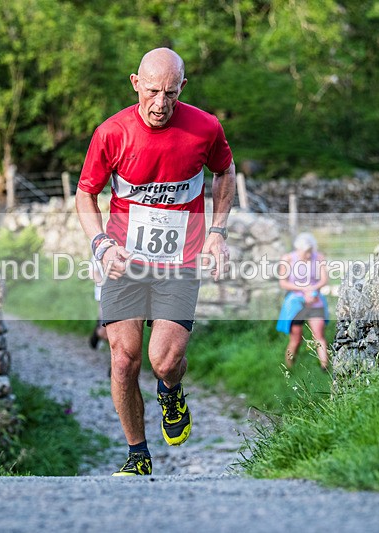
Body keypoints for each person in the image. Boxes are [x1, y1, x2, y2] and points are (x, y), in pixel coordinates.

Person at [75, 48, 236, 476]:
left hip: (180, 261)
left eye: (169, 92)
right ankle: (137, 455)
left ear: (182, 88)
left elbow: (226, 171)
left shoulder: (205, 128)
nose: (160, 103)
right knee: (124, 359)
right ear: (135, 84)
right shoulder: (111, 132)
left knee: (163, 360)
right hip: (125, 259)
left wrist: (217, 233)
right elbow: (85, 194)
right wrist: (100, 244)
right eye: (151, 92)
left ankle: (170, 388)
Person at [275, 232, 330, 371]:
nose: (308, 255)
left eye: (311, 251)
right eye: (306, 252)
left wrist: (312, 289)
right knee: (296, 339)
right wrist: (303, 288)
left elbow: (324, 280)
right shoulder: (287, 259)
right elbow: (283, 283)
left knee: (319, 336)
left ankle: (325, 368)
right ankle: (288, 369)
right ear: (298, 249)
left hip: (314, 299)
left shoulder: (319, 258)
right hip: (296, 303)